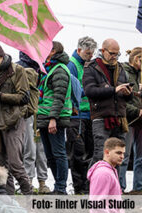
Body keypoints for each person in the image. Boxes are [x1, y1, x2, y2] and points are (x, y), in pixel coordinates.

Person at [0, 43, 33, 195]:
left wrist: (0, 96)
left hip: (14, 121)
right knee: (0, 167)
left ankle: (29, 196)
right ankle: (8, 199)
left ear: (1, 57)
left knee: (15, 164)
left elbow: (24, 97)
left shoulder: (18, 70)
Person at [83, 38, 131, 167]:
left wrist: (128, 93)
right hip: (101, 117)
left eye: (117, 54)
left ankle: (115, 186)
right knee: (100, 154)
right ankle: (92, 185)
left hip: (120, 118)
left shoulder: (121, 68)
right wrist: (114, 90)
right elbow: (89, 91)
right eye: (112, 53)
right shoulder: (91, 68)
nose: (115, 57)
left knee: (119, 157)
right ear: (102, 51)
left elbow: (126, 98)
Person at [36, 41, 71, 195]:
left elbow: (59, 97)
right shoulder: (49, 68)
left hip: (54, 118)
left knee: (58, 154)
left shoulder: (59, 70)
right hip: (45, 117)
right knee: (50, 155)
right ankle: (58, 185)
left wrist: (53, 119)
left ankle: (61, 188)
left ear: (54, 51)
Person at [66, 36, 97, 194]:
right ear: (79, 50)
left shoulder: (89, 64)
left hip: (89, 114)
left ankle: (87, 186)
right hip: (76, 115)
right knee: (78, 153)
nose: (90, 56)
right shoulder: (72, 65)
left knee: (89, 152)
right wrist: (92, 91)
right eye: (87, 53)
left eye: (92, 54)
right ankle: (79, 187)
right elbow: (73, 89)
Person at [16, 50, 48, 193]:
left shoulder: (45, 68)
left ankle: (42, 181)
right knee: (30, 148)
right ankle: (28, 180)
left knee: (41, 149)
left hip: (41, 112)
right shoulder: (18, 68)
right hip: (28, 112)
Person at [120, 47, 142, 192]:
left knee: (140, 156)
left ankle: (139, 187)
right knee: (124, 155)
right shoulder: (124, 72)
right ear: (136, 59)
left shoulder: (140, 75)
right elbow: (122, 99)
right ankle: (120, 188)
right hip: (128, 118)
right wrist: (136, 110)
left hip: (140, 119)